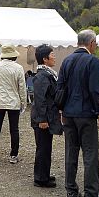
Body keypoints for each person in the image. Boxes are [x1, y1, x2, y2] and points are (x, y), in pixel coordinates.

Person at [57, 29, 99, 197]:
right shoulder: (93, 61)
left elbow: (60, 87)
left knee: (71, 152)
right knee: (90, 154)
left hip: (68, 113)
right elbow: (95, 90)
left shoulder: (66, 61)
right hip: (86, 114)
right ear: (91, 43)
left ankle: (71, 191)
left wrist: (61, 110)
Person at [0, 45, 26, 163]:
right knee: (14, 129)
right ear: (14, 55)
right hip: (14, 101)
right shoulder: (18, 68)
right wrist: (23, 102)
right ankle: (13, 155)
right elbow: (22, 87)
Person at [31, 44, 63, 187]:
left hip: (47, 117)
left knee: (46, 147)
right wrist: (42, 119)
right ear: (44, 59)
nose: (54, 57)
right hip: (42, 119)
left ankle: (44, 174)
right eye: (52, 54)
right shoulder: (42, 76)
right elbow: (40, 99)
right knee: (43, 148)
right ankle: (40, 179)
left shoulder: (47, 74)